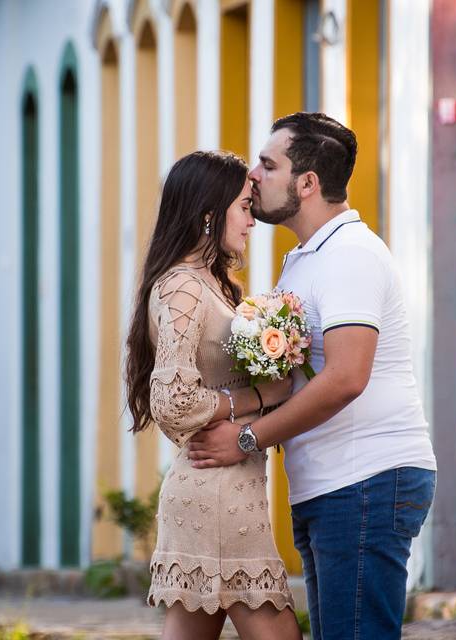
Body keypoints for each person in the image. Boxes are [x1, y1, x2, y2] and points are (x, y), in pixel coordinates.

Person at [187, 112, 438, 640]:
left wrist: (246, 438)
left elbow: (347, 377)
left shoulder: (349, 255)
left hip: (366, 478)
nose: (253, 175)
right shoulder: (307, 257)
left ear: (307, 183)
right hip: (334, 484)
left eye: (267, 164)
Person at [124, 150, 303, 640]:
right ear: (208, 213)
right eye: (245, 207)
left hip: (222, 486)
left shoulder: (214, 285)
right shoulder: (181, 288)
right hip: (216, 496)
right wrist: (261, 397)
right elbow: (174, 402)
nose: (252, 220)